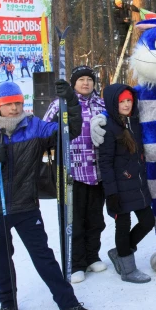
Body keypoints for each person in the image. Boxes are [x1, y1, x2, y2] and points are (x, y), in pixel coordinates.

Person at [0, 81, 94, 310]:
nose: (14, 108)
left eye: (18, 103)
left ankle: (67, 303)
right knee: (0, 260)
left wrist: (72, 103)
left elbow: (68, 132)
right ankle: (7, 303)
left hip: (25, 206)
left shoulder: (35, 127)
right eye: (8, 104)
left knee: (43, 256)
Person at [43, 66, 107, 283]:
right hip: (72, 172)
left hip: (97, 171)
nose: (86, 83)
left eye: (89, 79)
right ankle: (76, 262)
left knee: (95, 219)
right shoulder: (59, 103)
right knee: (74, 220)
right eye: (81, 79)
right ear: (73, 83)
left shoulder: (101, 103)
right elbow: (45, 131)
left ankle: (92, 256)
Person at [98, 84, 155, 284]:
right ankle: (128, 270)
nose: (126, 104)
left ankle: (120, 252)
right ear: (113, 103)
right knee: (123, 225)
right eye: (121, 101)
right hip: (119, 187)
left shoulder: (135, 121)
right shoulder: (108, 126)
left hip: (138, 183)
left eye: (128, 100)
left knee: (148, 221)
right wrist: (111, 193)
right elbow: (104, 163)